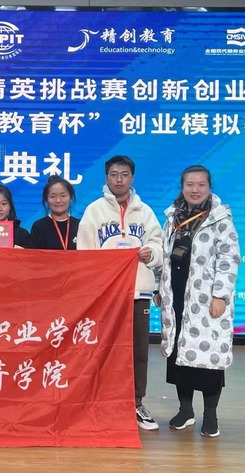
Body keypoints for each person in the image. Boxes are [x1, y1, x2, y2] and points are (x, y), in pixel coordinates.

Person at [77, 154, 163, 431]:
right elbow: (84, 254)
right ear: (106, 178)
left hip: (138, 293)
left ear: (132, 178)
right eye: (114, 174)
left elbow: (159, 246)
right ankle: (101, 402)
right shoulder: (94, 211)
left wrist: (152, 254)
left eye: (124, 174)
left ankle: (136, 403)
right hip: (106, 296)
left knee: (138, 351)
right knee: (103, 350)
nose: (119, 180)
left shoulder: (145, 212)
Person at [154, 165, 240, 438]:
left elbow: (229, 260)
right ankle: (185, 410)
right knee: (180, 357)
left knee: (208, 358)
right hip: (176, 295)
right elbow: (164, 257)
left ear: (209, 187)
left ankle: (211, 414)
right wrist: (158, 287)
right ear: (182, 187)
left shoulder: (220, 219)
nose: (195, 190)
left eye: (201, 184)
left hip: (206, 299)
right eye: (189, 184)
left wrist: (220, 295)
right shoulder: (172, 217)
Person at [29, 175, 80, 250]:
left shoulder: (80, 225)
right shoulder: (39, 227)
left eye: (63, 196)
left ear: (71, 198)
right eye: (53, 196)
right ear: (46, 199)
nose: (58, 200)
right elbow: (33, 255)